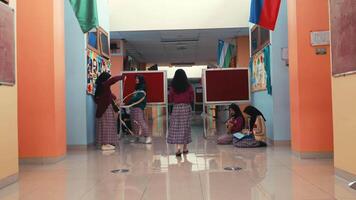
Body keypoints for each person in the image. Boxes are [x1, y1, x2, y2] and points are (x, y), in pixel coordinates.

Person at [94, 72, 125, 151]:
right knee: (107, 126)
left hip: (103, 109)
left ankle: (106, 143)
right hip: (105, 109)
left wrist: (115, 98)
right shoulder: (105, 84)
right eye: (107, 78)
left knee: (106, 125)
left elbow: (110, 95)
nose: (108, 80)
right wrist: (122, 77)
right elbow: (113, 80)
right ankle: (105, 144)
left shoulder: (101, 87)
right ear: (105, 79)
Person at [167, 69, 194, 156]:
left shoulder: (173, 87)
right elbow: (191, 98)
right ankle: (185, 148)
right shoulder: (189, 86)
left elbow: (170, 99)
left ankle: (178, 149)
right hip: (186, 108)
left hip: (176, 108)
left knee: (176, 128)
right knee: (185, 127)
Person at [127, 75, 152, 144]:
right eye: (136, 78)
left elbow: (137, 98)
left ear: (141, 79)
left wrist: (128, 102)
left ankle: (148, 137)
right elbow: (134, 97)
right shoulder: (137, 88)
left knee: (140, 122)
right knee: (134, 123)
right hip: (134, 107)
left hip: (139, 107)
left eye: (137, 78)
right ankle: (136, 137)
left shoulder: (142, 88)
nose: (136, 80)